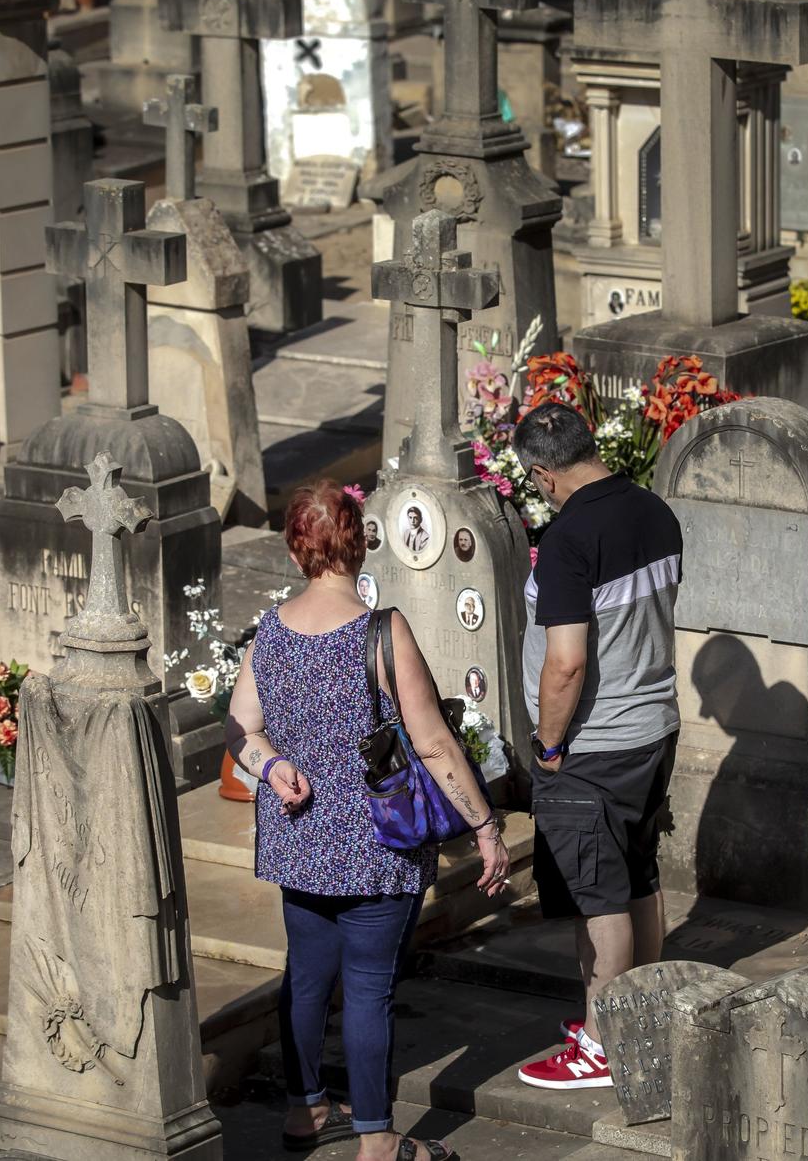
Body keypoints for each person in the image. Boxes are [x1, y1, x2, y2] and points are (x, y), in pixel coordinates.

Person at [227, 481, 509, 1158]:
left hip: (299, 843)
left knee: (306, 980)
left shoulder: (269, 630)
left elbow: (238, 730)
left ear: (298, 548)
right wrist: (486, 827)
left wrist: (272, 769)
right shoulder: (381, 631)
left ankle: (304, 1112)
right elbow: (436, 743)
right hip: (379, 847)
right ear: (358, 541)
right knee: (368, 991)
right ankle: (379, 1143)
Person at [509, 402, 683, 1091]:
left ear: (545, 475)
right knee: (639, 876)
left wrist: (549, 746)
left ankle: (605, 1045)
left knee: (599, 898)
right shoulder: (655, 512)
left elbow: (567, 662)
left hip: (593, 746)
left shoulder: (567, 540)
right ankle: (641, 1019)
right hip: (654, 728)